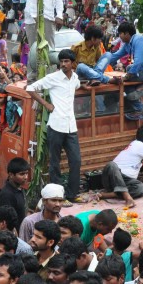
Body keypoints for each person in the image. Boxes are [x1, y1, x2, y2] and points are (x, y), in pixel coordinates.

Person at [26, 50, 83, 202]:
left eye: (66, 61)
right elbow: (30, 88)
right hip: (56, 126)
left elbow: (77, 85)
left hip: (71, 127)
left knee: (76, 161)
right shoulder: (53, 78)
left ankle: (72, 194)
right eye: (61, 61)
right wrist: (46, 104)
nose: (63, 64)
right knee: (55, 163)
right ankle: (57, 197)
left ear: (72, 63)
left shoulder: (75, 78)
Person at [2, 0, 63, 80]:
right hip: (30, 17)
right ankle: (36, 74)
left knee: (49, 48)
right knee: (34, 49)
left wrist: (59, 15)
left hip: (47, 16)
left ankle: (50, 75)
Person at [99, 127, 143, 209]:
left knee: (141, 188)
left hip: (125, 182)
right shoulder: (142, 146)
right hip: (113, 179)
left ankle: (109, 195)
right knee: (111, 165)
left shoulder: (136, 144)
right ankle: (127, 197)